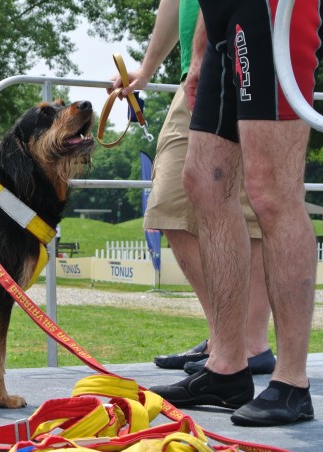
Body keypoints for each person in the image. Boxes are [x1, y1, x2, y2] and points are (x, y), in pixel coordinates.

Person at [148, 0, 322, 426]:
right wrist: (201, 47)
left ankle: (292, 383)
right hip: (222, 14)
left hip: (273, 9)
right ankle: (226, 368)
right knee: (204, 183)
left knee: (272, 192)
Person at [111, 0, 275, 377]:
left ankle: (246, 345)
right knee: (170, 202)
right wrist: (148, 69)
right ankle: (227, 340)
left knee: (252, 208)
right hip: (199, 73)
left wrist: (201, 57)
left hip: (239, 55)